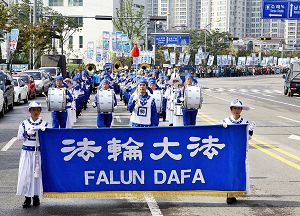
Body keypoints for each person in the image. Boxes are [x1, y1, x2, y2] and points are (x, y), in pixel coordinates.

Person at [222, 99, 255, 205]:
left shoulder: (245, 122)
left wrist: (250, 131)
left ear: (241, 110)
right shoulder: (225, 121)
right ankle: (229, 195)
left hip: (241, 152)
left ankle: (236, 191)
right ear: (231, 110)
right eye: (234, 108)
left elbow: (248, 138)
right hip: (229, 151)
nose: (236, 110)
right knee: (229, 171)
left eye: (239, 108)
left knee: (239, 171)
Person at [16, 101, 48, 208]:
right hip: (27, 152)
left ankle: (36, 196)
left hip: (38, 152)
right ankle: (27, 198)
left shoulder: (44, 124)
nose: (35, 112)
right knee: (26, 174)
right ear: (30, 111)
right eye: (33, 110)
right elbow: (19, 137)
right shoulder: (24, 123)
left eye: (37, 110)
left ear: (40, 111)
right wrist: (26, 133)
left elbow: (50, 139)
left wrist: (45, 133)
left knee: (37, 175)